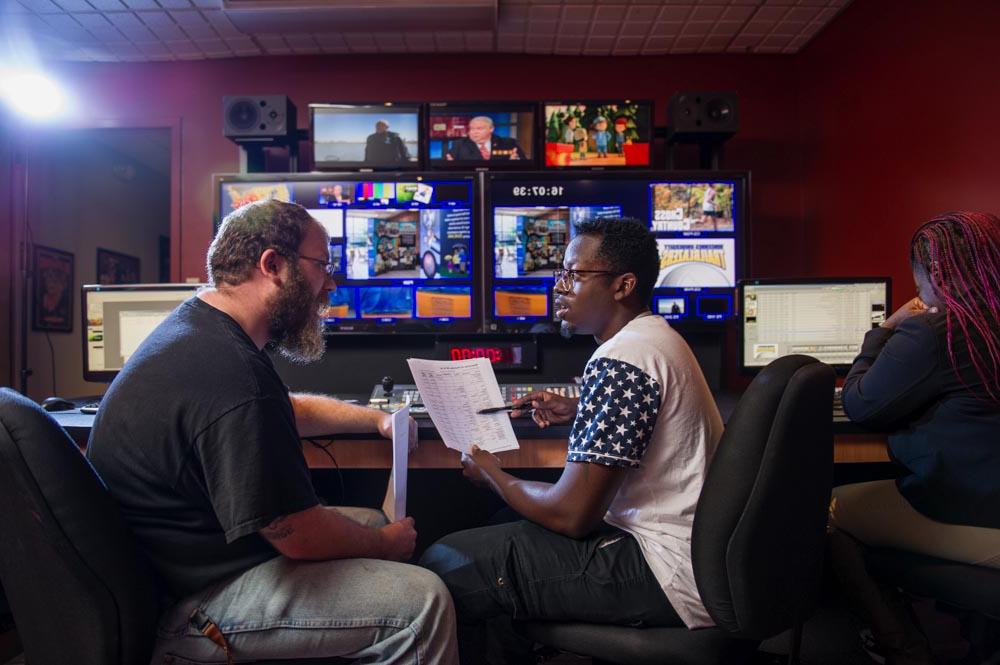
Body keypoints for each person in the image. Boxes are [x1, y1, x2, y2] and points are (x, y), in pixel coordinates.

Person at [87, 199, 458, 665]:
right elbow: (297, 535)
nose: (330, 284)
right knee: (423, 601)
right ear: (274, 265)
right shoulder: (231, 372)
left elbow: (282, 409)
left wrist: (375, 420)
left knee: (373, 523)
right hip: (193, 605)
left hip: (188, 565)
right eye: (321, 265)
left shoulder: (201, 331)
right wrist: (384, 545)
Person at [419, 217, 723, 664]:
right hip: (695, 554)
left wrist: (492, 473)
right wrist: (583, 410)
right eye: (560, 273)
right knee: (499, 524)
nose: (559, 286)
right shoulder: (654, 339)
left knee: (448, 562)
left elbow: (572, 514)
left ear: (623, 285)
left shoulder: (623, 358)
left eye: (574, 275)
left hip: (664, 571)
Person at [828, 211, 1000, 665]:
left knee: (828, 511)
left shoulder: (933, 331)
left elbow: (862, 406)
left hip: (979, 516)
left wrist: (884, 329)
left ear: (935, 274)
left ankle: (902, 648)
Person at [446, 115, 525, 161]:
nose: (474, 132)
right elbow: (448, 168)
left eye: (479, 128)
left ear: (491, 129)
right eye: (472, 129)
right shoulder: (459, 145)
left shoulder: (508, 143)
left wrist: (515, 162)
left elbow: (524, 166)